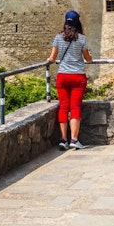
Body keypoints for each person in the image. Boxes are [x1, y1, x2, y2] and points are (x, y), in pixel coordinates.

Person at [47, 10, 92, 150]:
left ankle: (63, 139)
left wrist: (48, 62)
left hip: (63, 76)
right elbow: (87, 59)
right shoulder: (82, 39)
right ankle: (74, 138)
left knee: (63, 107)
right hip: (78, 76)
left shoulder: (58, 37)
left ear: (66, 23)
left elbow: (52, 58)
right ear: (78, 23)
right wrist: (90, 56)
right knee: (75, 107)